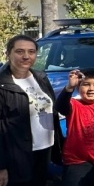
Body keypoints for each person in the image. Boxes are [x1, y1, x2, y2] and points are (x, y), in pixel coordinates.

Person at [0, 34, 62, 186]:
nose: (26, 56)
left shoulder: (40, 78)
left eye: (31, 52)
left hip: (44, 150)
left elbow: (53, 111)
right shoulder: (2, 84)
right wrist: (1, 166)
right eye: (20, 51)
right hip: (16, 156)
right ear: (8, 54)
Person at [58, 68, 94, 186]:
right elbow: (60, 106)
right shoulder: (73, 104)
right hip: (76, 162)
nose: (91, 89)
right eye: (86, 84)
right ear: (78, 88)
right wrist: (69, 87)